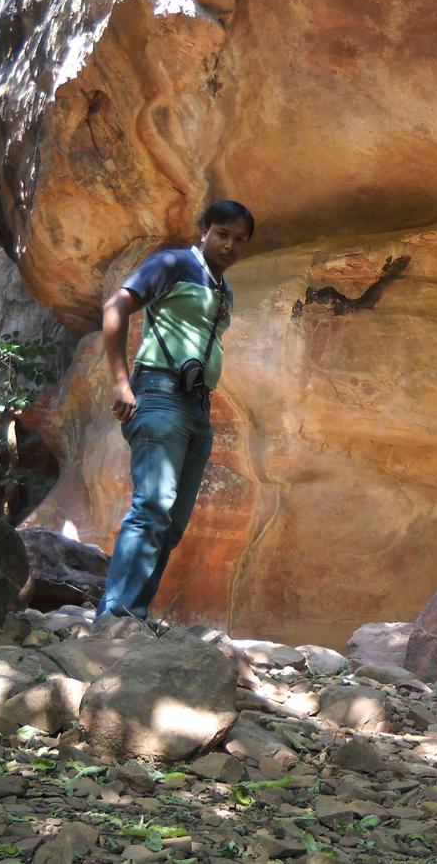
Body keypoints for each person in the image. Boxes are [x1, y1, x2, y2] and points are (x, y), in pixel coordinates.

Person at [96, 200, 255, 621]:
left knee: (173, 520)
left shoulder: (222, 288)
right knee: (152, 507)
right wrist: (120, 382)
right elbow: (116, 307)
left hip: (196, 407)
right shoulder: (173, 263)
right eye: (222, 233)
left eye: (240, 239)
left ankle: (134, 614)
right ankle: (113, 619)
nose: (230, 245)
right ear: (204, 230)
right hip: (160, 395)